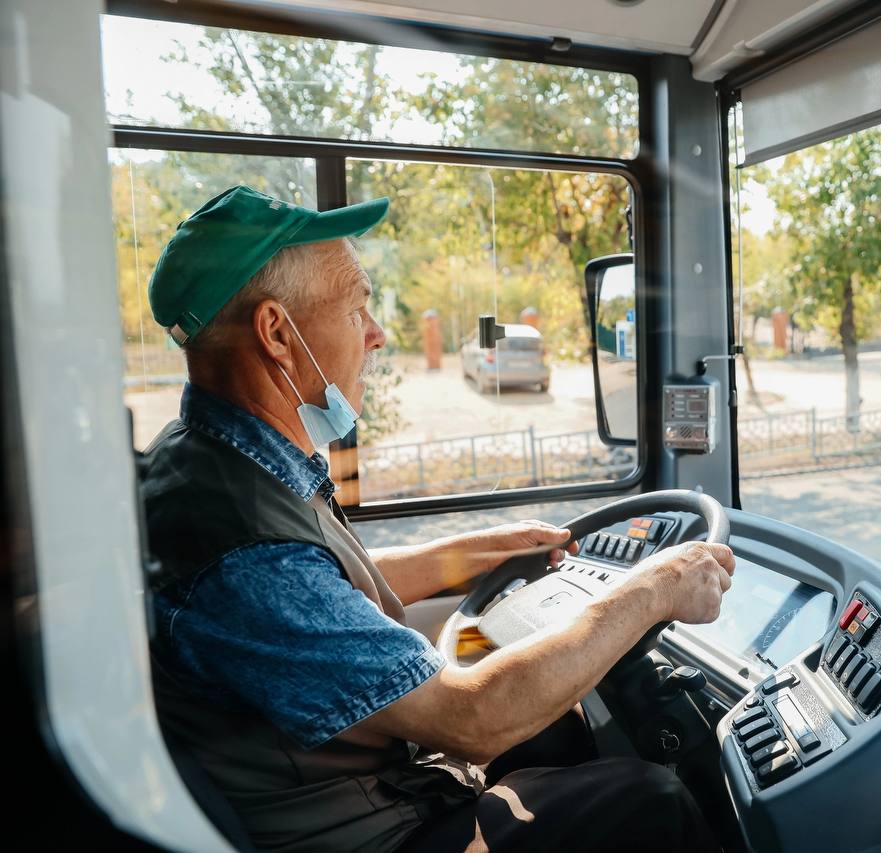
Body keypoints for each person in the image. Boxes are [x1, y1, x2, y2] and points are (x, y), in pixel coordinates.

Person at [138, 186, 736, 852]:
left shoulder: (207, 461)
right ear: (278, 332)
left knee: (559, 732)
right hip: (377, 831)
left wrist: (470, 553)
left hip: (372, 792)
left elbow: (324, 594)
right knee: (649, 801)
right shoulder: (244, 546)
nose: (378, 334)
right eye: (357, 307)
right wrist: (652, 588)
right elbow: (471, 715)